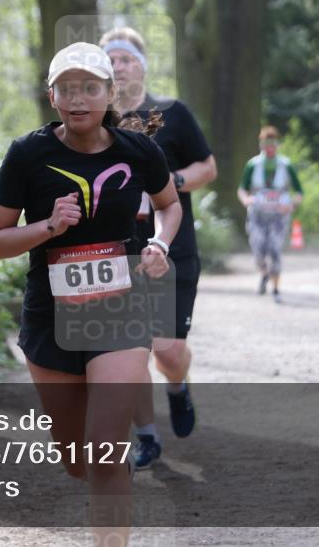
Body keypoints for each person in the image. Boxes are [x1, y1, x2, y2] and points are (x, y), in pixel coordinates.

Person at [0, 42, 182, 545]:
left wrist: (158, 243)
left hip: (121, 311)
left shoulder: (138, 150)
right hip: (50, 319)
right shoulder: (28, 154)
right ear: (52, 96)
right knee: (79, 463)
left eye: (90, 87)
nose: (79, 98)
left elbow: (170, 206)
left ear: (110, 94)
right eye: (67, 88)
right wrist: (48, 228)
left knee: (103, 455)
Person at [99, 27, 217, 470]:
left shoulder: (173, 113)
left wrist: (169, 184)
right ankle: (146, 438)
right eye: (110, 58)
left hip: (171, 245)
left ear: (141, 65)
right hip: (115, 249)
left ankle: (177, 385)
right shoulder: (98, 120)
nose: (118, 64)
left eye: (126, 58)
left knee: (167, 350)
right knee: (130, 350)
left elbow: (208, 167)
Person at [237, 126, 303, 303]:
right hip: (257, 215)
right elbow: (242, 189)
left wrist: (290, 205)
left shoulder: (286, 165)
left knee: (274, 250)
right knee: (258, 250)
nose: (269, 149)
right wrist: (246, 200)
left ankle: (275, 288)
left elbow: (299, 193)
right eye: (266, 145)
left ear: (277, 145)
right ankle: (264, 273)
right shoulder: (253, 164)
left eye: (272, 145)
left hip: (278, 217)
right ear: (261, 146)